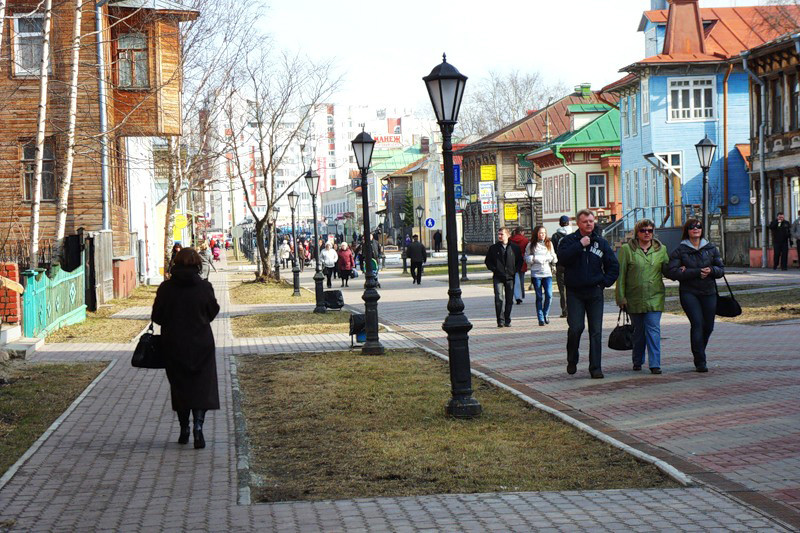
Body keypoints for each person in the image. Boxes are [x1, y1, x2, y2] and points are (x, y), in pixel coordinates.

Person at [151, 248, 220, 449]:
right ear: (198, 264)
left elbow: (157, 316)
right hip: (201, 344)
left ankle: (184, 429)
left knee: (180, 387)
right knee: (201, 386)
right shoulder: (204, 287)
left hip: (174, 344)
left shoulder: (166, 288)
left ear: (176, 263)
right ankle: (198, 427)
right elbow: (213, 311)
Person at [557, 210, 619, 379]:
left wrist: (604, 283)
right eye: (585, 221)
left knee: (596, 331)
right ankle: (572, 358)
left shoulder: (601, 243)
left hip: (594, 292)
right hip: (575, 292)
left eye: (591, 221)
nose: (589, 224)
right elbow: (562, 259)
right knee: (576, 328)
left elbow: (613, 266)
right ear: (578, 223)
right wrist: (580, 245)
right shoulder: (568, 241)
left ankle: (595, 368)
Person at [665, 218, 724, 373]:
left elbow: (721, 270)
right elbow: (672, 272)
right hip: (689, 292)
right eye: (692, 227)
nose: (696, 229)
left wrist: (711, 270)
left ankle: (700, 351)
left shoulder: (711, 248)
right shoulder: (680, 250)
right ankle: (700, 360)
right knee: (697, 324)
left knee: (708, 326)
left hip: (709, 291)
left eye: (698, 226)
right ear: (687, 231)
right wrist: (696, 272)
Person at [615, 219, 669, 374]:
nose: (647, 233)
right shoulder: (627, 250)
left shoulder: (661, 249)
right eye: (643, 230)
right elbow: (621, 275)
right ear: (637, 233)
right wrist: (621, 297)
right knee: (638, 332)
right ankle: (637, 360)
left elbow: (668, 269)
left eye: (650, 230)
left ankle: (655, 364)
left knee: (653, 329)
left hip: (655, 296)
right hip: (634, 297)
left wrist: (680, 269)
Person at [485, 227, 523, 328]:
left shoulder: (514, 248)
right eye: (499, 234)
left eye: (502, 234)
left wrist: (515, 270)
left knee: (509, 299)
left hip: (510, 277)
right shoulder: (493, 248)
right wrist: (495, 269)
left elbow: (520, 260)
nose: (500, 236)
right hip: (498, 277)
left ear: (508, 235)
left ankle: (507, 319)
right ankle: (500, 320)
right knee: (499, 298)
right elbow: (488, 261)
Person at [525, 226, 557, 326]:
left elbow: (554, 257)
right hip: (536, 273)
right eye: (540, 233)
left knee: (549, 295)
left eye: (544, 233)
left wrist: (550, 258)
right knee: (539, 297)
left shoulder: (549, 243)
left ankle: (545, 313)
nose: (542, 235)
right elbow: (526, 257)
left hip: (547, 273)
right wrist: (534, 258)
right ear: (536, 234)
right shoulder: (531, 244)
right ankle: (540, 318)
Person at [551, 215, 571, 317]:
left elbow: (552, 251)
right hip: (572, 266)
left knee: (562, 290)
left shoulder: (555, 236)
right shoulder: (573, 234)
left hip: (560, 265)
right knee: (572, 288)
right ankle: (573, 309)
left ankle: (564, 310)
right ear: (568, 223)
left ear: (559, 223)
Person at [509, 227, 530, 305]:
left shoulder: (510, 239)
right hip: (522, 260)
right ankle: (520, 296)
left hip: (511, 260)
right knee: (521, 279)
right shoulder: (525, 240)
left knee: (512, 280)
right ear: (521, 232)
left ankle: (512, 296)